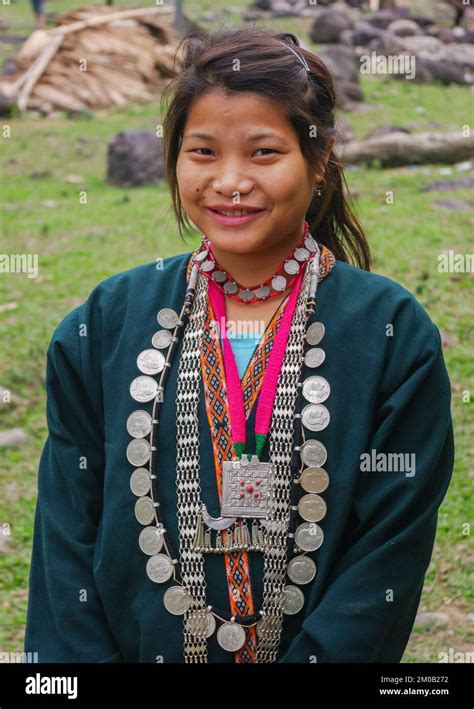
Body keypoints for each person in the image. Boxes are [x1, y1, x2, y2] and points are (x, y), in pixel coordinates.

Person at [24, 26, 454, 663]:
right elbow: (65, 540)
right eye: (202, 151)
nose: (229, 181)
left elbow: (386, 551)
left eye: (263, 153)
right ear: (173, 158)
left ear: (319, 159)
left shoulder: (390, 334)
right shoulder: (103, 326)